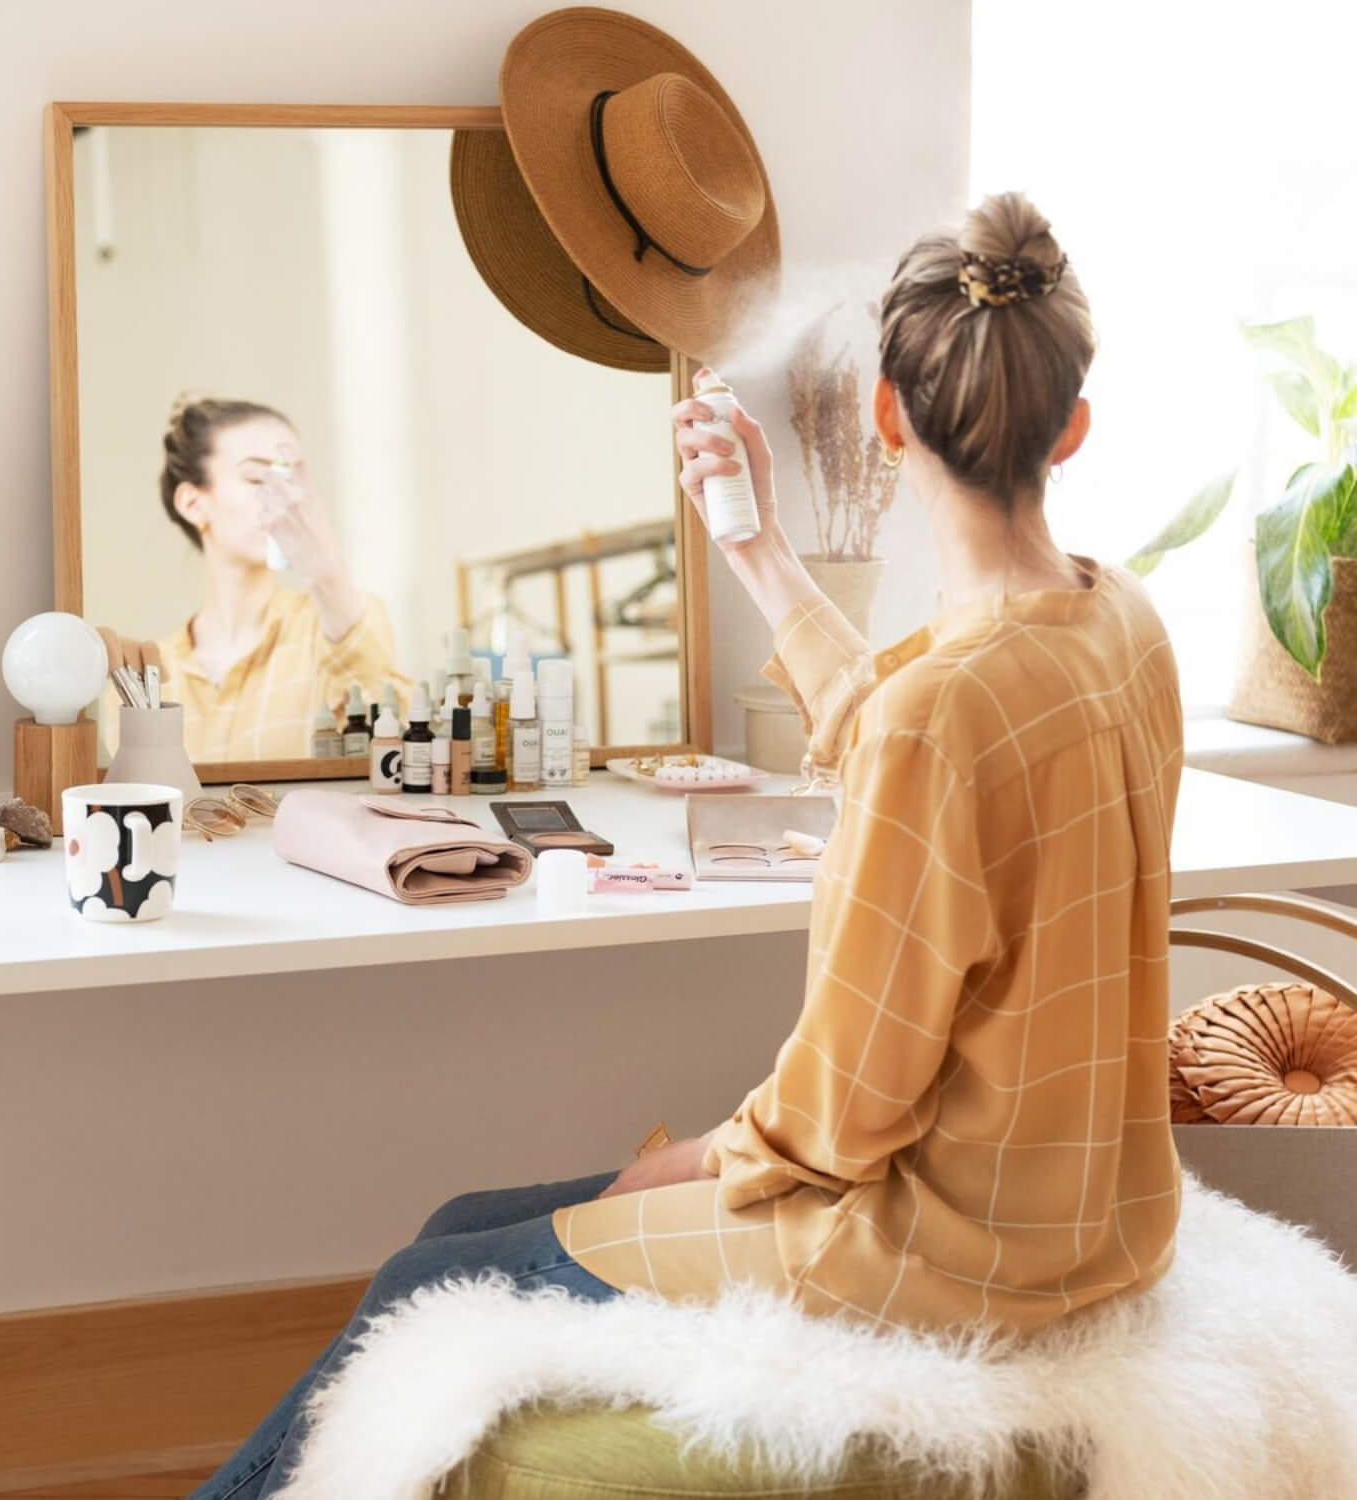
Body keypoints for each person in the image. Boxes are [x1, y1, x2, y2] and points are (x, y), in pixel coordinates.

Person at [187, 192, 1183, 1500]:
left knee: (433, 1271)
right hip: (1102, 1216)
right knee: (457, 1230)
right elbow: (923, 724)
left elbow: (838, 1118)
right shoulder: (1122, 624)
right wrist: (755, 545)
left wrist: (682, 1162)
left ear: (888, 418)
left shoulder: (938, 722)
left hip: (947, 1249)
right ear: (1075, 427)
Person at [101, 397, 410, 761]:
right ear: (192, 503)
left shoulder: (342, 622)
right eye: (257, 477)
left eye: (290, 480)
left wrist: (327, 571)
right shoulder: (143, 680)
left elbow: (398, 743)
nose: (284, 497)